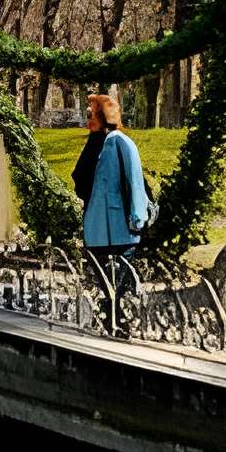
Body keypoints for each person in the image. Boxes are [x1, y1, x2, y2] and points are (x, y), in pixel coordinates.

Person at [72, 93, 152, 324]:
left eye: (91, 115)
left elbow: (135, 183)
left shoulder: (121, 143)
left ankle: (117, 322)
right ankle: (112, 319)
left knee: (119, 284)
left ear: (104, 116)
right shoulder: (96, 143)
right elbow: (80, 179)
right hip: (98, 230)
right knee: (106, 283)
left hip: (122, 230)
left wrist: (138, 219)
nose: (88, 121)